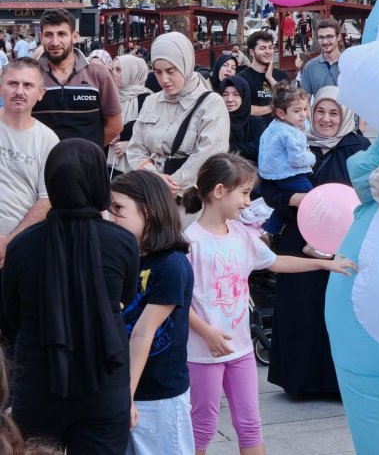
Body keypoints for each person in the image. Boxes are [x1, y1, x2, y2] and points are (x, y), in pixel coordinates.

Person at [181, 153, 356, 455]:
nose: (248, 202)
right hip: (203, 355)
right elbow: (177, 301)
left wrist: (323, 264)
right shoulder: (189, 242)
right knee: (203, 426)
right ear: (219, 191)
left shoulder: (241, 234)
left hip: (241, 351)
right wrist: (207, 333)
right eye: (244, 193)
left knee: (250, 424)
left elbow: (274, 262)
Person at [2, 139, 140, 453]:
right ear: (97, 180)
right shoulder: (122, 243)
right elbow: (126, 297)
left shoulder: (21, 246)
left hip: (37, 378)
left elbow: (10, 317)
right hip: (104, 379)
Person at [263, 86, 370, 395]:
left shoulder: (359, 149)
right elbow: (269, 187)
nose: (326, 119)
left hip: (345, 242)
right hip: (299, 240)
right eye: (319, 111)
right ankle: (301, 382)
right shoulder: (294, 138)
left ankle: (339, 384)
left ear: (346, 115)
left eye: (334, 113)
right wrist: (297, 200)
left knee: (341, 312)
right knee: (301, 309)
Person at [112, 171, 195, 455]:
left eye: (119, 208)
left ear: (147, 211)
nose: (111, 217)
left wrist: (126, 396)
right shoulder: (123, 259)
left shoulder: (172, 264)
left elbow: (142, 332)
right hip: (122, 387)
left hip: (159, 394)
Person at [127, 33, 230, 219]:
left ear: (186, 64)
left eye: (170, 71)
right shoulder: (151, 101)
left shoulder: (211, 103)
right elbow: (135, 147)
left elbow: (210, 154)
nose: (164, 79)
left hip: (189, 204)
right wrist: (154, 178)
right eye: (157, 72)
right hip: (150, 198)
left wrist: (171, 184)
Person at [32, 8, 122, 146]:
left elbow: (115, 125)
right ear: (41, 37)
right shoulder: (30, 75)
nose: (55, 42)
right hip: (41, 159)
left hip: (87, 159)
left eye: (62, 34)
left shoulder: (99, 73)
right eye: (49, 35)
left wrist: (89, 152)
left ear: (74, 37)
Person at [0, 59, 59, 261]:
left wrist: (9, 242)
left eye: (28, 85)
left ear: (41, 93)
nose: (19, 91)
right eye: (12, 83)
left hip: (23, 247)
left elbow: (46, 199)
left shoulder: (48, 139)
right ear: (1, 88)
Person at [258, 82, 314, 237]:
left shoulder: (273, 127)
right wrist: (312, 157)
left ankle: (269, 231)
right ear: (281, 113)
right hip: (292, 175)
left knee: (285, 206)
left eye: (305, 109)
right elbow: (297, 159)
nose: (303, 114)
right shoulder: (290, 133)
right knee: (314, 202)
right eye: (297, 111)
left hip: (274, 176)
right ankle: (311, 239)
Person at [237, 30, 290, 136]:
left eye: (270, 47)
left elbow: (290, 101)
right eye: (262, 48)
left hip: (284, 132)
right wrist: (274, 107)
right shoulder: (242, 78)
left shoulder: (282, 75)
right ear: (252, 52)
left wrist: (270, 78)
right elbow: (244, 109)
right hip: (256, 135)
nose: (268, 51)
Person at [108, 55, 152, 177]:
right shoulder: (109, 95)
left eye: (119, 70)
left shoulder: (148, 99)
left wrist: (129, 145)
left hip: (137, 167)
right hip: (109, 163)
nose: (113, 73)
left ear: (132, 72)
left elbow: (151, 132)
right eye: (112, 69)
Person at [219, 76, 259, 164]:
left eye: (236, 94)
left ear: (244, 96)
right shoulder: (215, 121)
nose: (229, 99)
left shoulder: (256, 122)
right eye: (225, 94)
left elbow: (258, 150)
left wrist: (227, 144)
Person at [299, 19, 342, 96]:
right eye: (321, 37)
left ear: (338, 37)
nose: (325, 42)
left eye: (329, 37)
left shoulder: (350, 64)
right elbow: (305, 99)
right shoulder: (310, 67)